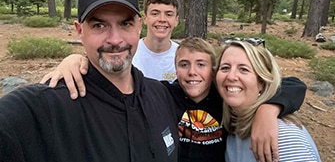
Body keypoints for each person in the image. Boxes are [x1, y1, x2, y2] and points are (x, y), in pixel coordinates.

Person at [41, 37, 307, 162]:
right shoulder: (164, 93)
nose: (192, 73)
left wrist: (269, 109)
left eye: (201, 65)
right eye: (184, 65)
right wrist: (77, 59)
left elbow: (294, 84)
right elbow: (127, 80)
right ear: (174, 68)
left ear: (213, 71)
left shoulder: (223, 97)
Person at [0, 0, 179, 162]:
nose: (115, 39)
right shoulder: (46, 107)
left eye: (125, 23)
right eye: (99, 25)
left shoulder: (160, 95)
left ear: (139, 26)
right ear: (79, 31)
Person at [41, 0, 180, 97]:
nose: (162, 20)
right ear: (144, 19)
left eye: (168, 14)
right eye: (155, 13)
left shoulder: (185, 57)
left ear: (176, 20)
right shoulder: (126, 50)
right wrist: (72, 61)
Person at [216, 39, 321, 162]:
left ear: (261, 82)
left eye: (244, 69)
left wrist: (267, 110)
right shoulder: (235, 126)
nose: (231, 76)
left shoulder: (283, 137)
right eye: (225, 68)